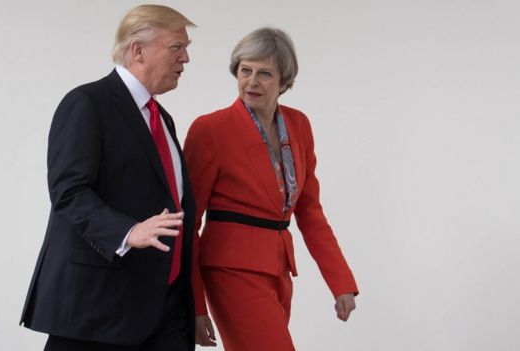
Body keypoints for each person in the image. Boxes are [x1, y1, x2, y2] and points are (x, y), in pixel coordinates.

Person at [20, 5, 197, 351]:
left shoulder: (163, 119)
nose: (186, 58)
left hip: (166, 304)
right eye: (177, 47)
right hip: (100, 307)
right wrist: (128, 232)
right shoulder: (87, 103)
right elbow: (69, 193)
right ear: (138, 50)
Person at [184, 27, 359, 350]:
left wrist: (340, 282)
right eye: (245, 70)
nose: (252, 82)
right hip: (230, 267)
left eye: (265, 74)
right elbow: (188, 222)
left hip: (278, 267)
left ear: (284, 81)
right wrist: (195, 305)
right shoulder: (210, 129)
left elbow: (310, 212)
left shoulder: (299, 125)